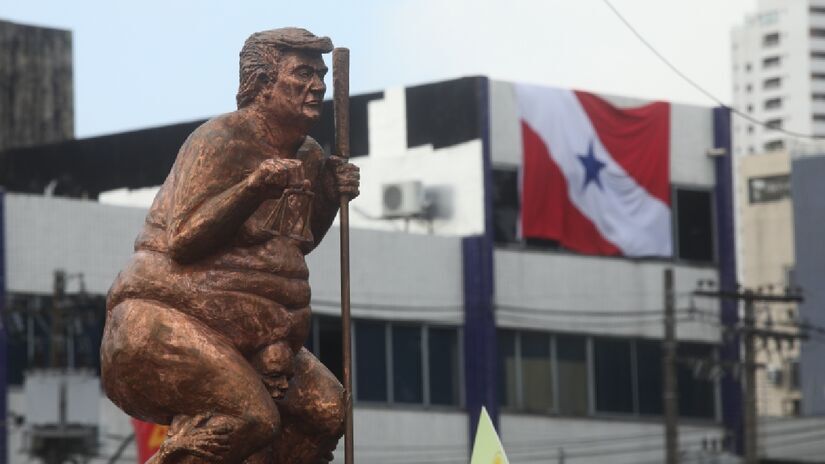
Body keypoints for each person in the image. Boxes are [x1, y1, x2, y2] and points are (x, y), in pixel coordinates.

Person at [100, 27, 358, 464]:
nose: (316, 86)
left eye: (320, 75)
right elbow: (184, 240)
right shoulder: (221, 140)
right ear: (262, 84)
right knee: (250, 417)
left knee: (328, 412)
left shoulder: (308, 154)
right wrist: (254, 186)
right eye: (302, 74)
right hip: (164, 320)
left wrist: (331, 197)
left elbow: (292, 247)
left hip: (260, 337)